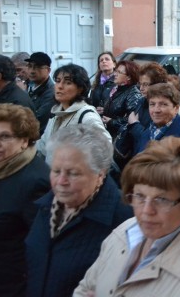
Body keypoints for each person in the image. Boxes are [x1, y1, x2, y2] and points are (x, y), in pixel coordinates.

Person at [74, 137, 180, 296]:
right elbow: (86, 287)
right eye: (139, 196)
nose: (146, 211)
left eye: (161, 199)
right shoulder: (124, 231)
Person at [26, 125, 133, 297]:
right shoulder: (46, 206)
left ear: (100, 175)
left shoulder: (126, 219)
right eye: (56, 171)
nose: (61, 181)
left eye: (73, 173)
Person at [0, 104, 50, 297]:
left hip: (12, 284)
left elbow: (41, 246)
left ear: (24, 140)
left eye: (4, 136)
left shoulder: (35, 181)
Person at [37, 64, 111, 161]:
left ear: (80, 89)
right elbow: (42, 148)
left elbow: (105, 147)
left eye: (67, 82)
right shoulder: (56, 114)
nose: (60, 86)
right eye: (58, 81)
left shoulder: (86, 115)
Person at [128, 83, 180, 156]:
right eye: (152, 104)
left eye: (163, 104)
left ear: (176, 108)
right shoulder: (147, 134)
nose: (156, 110)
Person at [102, 60, 142, 140]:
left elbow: (132, 119)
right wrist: (104, 109)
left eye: (119, 72)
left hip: (120, 139)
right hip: (109, 135)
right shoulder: (117, 89)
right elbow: (116, 109)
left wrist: (112, 121)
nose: (115, 74)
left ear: (129, 77)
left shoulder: (133, 94)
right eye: (116, 71)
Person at [25, 52, 55, 135]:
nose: (32, 71)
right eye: (30, 66)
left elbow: (39, 120)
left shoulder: (51, 92)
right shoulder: (28, 85)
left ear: (48, 70)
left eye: (37, 67)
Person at [133, 62, 170, 128]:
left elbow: (151, 136)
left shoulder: (164, 108)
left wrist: (134, 123)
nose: (141, 88)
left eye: (145, 84)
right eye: (140, 84)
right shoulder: (142, 101)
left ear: (157, 84)